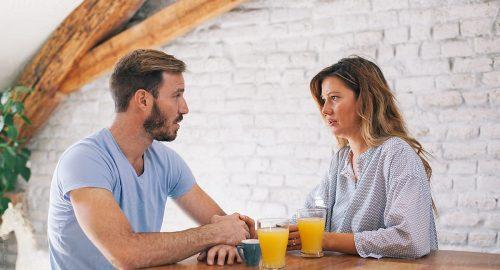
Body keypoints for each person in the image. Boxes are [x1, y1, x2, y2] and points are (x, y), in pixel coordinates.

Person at [47, 49, 254, 269]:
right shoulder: (85, 160)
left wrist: (226, 241)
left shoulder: (165, 161)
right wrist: (214, 234)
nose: (185, 108)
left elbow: (226, 225)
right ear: (143, 100)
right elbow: (125, 254)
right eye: (176, 95)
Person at [287, 56, 438, 259]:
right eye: (324, 100)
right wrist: (264, 232)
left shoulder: (396, 153)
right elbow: (310, 214)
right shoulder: (340, 160)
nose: (325, 110)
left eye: (334, 97)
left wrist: (325, 240)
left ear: (365, 99)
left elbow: (410, 239)